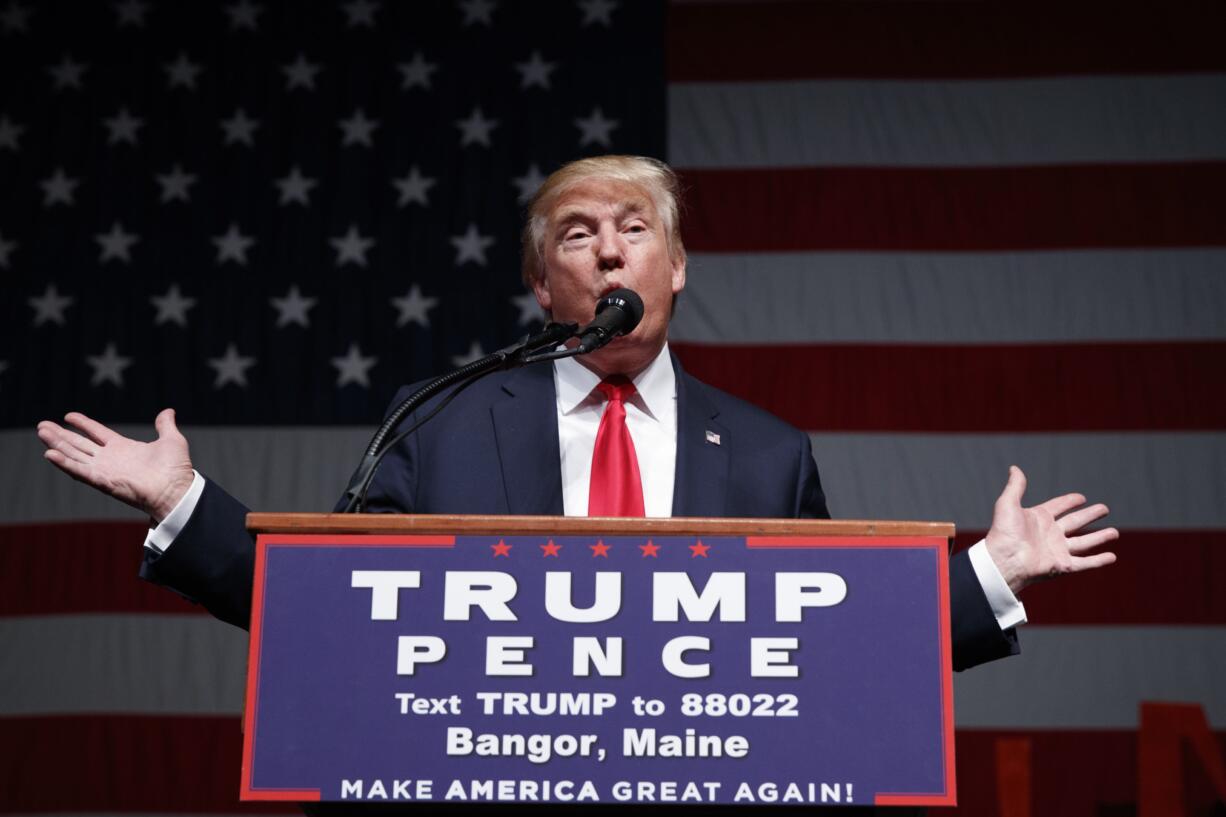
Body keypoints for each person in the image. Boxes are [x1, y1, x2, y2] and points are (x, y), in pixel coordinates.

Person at [36, 155, 1118, 672]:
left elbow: (827, 651)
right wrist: (185, 502)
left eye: (634, 227)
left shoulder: (762, 454)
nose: (607, 247)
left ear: (678, 267)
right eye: (574, 234)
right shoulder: (444, 417)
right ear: (543, 289)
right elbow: (330, 610)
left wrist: (986, 577)